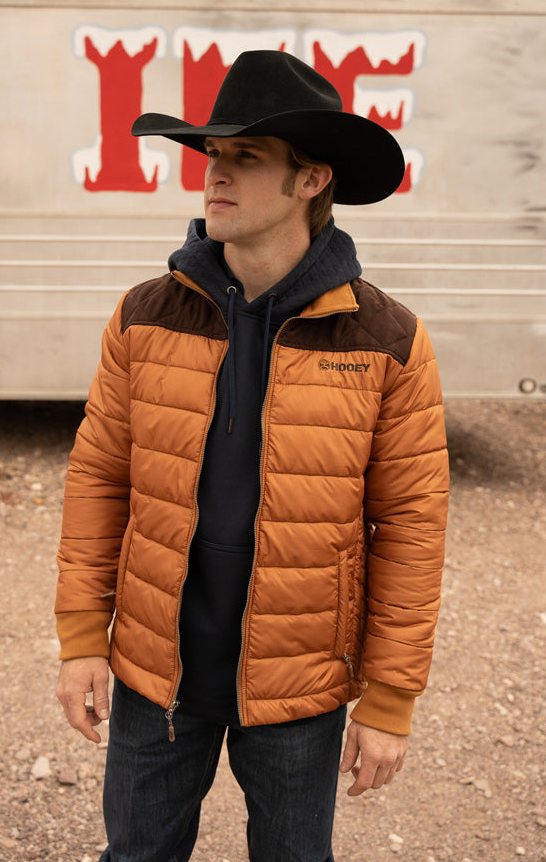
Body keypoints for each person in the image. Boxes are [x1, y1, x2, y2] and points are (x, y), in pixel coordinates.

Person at [55, 49, 449, 862]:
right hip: (155, 675)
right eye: (212, 156)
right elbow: (99, 477)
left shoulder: (387, 340)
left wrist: (389, 699)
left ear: (310, 181)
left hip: (297, 684)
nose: (214, 176)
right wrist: (83, 636)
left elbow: (411, 526)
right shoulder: (143, 315)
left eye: (246, 157)